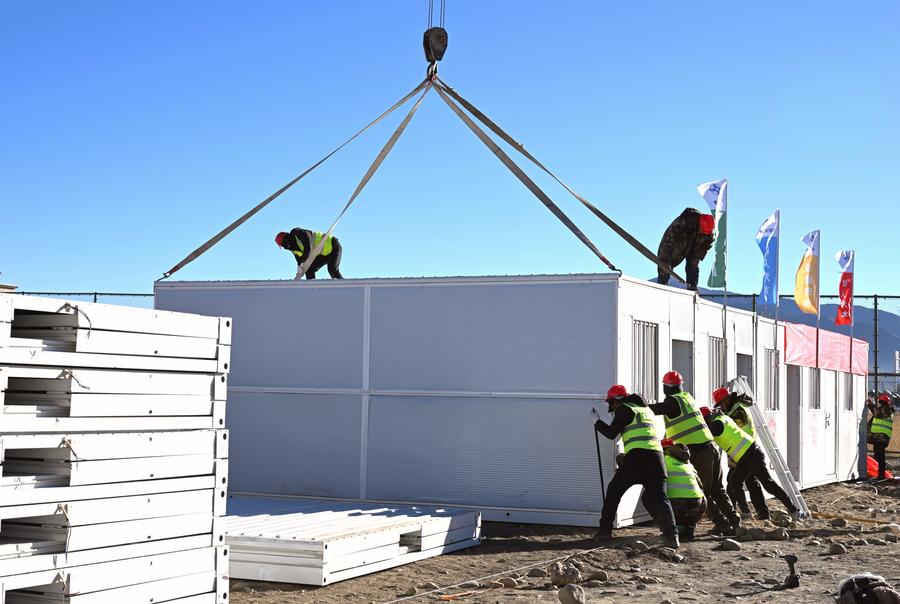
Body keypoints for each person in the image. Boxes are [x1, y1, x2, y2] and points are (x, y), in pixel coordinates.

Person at [648, 371, 741, 535]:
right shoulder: (687, 398)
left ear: (665, 387)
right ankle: (734, 521)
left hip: (698, 451)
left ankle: (721, 523)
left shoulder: (673, 401)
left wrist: (640, 404)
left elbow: (655, 409)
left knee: (700, 491)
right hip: (710, 447)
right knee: (717, 489)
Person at [590, 385, 680, 548]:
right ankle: (672, 537)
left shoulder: (625, 408)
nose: (611, 407)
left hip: (638, 458)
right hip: (657, 459)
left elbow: (611, 433)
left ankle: (604, 531)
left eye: (611, 403)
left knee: (614, 491)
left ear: (617, 400)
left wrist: (597, 422)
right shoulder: (646, 411)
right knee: (660, 499)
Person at [700, 406, 800, 519]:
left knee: (768, 485)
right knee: (735, 482)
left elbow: (705, 433)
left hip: (752, 454)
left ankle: (793, 509)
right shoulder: (722, 418)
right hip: (746, 457)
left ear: (707, 418)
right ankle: (746, 513)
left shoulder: (716, 424)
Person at [712, 387, 767, 519]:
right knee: (750, 483)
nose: (721, 407)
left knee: (733, 483)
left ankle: (739, 512)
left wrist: (717, 418)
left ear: (727, 400)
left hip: (744, 453)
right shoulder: (736, 407)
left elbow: (730, 426)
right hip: (743, 453)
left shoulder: (737, 411)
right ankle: (760, 512)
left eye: (721, 404)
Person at [656, 207, 716, 291]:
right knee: (664, 267)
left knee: (693, 265)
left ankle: (692, 287)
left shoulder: (709, 233)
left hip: (693, 246)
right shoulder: (682, 223)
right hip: (674, 243)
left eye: (704, 233)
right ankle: (662, 285)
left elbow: (703, 248)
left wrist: (697, 258)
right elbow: (668, 242)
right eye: (701, 231)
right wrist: (665, 260)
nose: (702, 233)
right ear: (699, 224)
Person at [661, 438, 706, 542]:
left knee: (654, 496)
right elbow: (701, 486)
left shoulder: (663, 461)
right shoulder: (688, 463)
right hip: (698, 505)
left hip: (678, 506)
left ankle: (675, 528)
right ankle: (688, 528)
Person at [275, 228, 344, 280]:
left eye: (282, 245)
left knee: (332, 270)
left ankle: (345, 289)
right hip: (323, 254)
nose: (284, 248)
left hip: (333, 246)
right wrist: (300, 270)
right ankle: (312, 289)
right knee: (308, 269)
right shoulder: (294, 250)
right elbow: (301, 263)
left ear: (285, 241)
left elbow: (308, 245)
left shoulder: (296, 233)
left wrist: (303, 262)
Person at [868, 393, 894, 479]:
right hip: (879, 437)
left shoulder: (886, 410)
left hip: (881, 437)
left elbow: (877, 413)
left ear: (882, 402)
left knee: (880, 456)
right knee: (878, 456)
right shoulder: (885, 409)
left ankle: (881, 475)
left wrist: (871, 404)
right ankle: (880, 474)